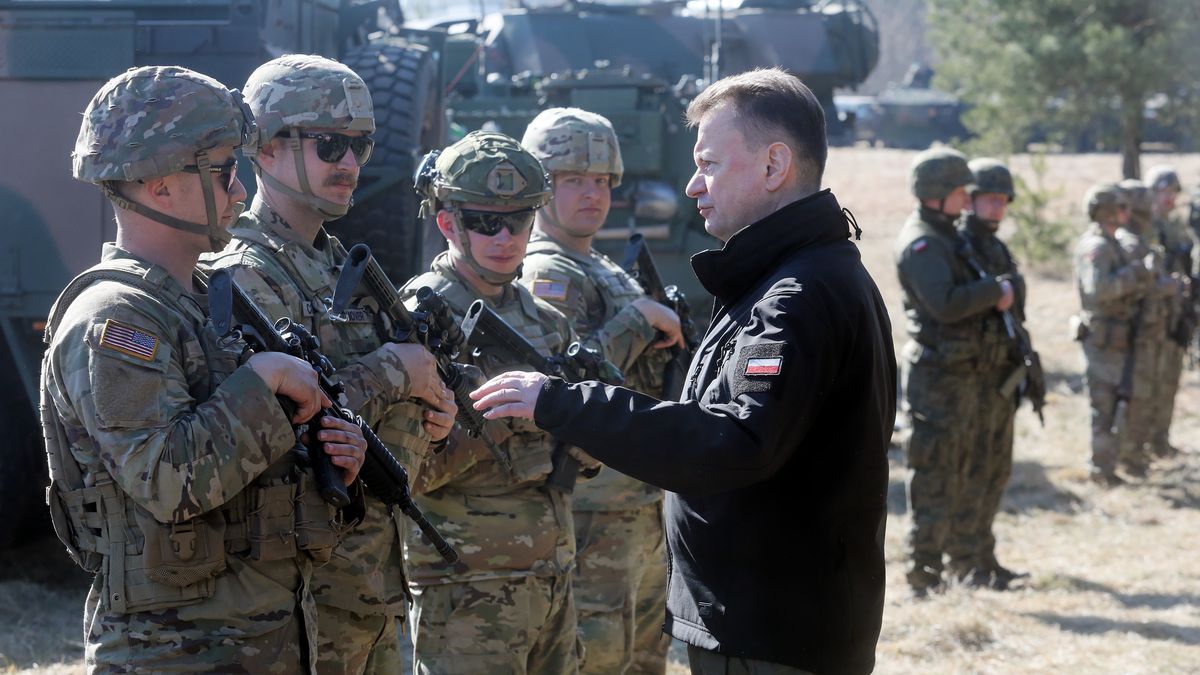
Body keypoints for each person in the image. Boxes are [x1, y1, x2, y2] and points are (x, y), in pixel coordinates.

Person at [471, 68, 894, 675]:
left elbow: (731, 440)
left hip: (768, 631)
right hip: (775, 617)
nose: (694, 185)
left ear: (775, 167)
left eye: (711, 164)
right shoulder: (807, 276)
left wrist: (562, 402)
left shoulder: (794, 294)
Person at [41, 65, 367, 673]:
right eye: (221, 172)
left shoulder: (202, 300)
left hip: (259, 637)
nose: (240, 192)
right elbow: (166, 481)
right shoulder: (117, 321)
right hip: (175, 651)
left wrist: (326, 458)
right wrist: (263, 382)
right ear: (161, 183)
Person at [201, 54, 457, 674]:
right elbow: (269, 420)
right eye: (330, 144)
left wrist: (431, 406)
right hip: (299, 605)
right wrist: (396, 371)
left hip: (370, 588)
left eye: (361, 146)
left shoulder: (337, 264)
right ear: (261, 147)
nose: (349, 164)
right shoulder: (239, 274)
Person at [403, 130, 584, 674]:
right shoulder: (416, 319)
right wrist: (515, 418)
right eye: (485, 222)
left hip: (551, 572)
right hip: (467, 586)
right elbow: (407, 468)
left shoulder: (546, 322)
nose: (504, 236)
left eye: (520, 220)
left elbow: (581, 455)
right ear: (447, 222)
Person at [519, 107, 677, 675]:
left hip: (635, 496)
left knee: (645, 647)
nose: (593, 194)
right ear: (540, 184)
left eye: (602, 181)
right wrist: (637, 321)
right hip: (592, 501)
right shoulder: (546, 271)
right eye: (573, 180)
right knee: (597, 647)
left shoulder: (603, 264)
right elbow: (557, 378)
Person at [894, 147, 1015, 596]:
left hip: (964, 375)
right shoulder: (922, 242)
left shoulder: (946, 234)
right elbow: (944, 304)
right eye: (962, 192)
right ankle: (924, 574)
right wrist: (993, 291)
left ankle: (970, 562)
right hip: (937, 380)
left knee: (972, 469)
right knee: (934, 477)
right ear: (937, 193)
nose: (968, 202)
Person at [951, 157, 1029, 589]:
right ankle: (964, 563)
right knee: (972, 471)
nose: (997, 208)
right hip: (973, 377)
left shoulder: (996, 247)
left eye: (1002, 201)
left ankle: (984, 556)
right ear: (971, 200)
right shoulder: (961, 244)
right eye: (989, 200)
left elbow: (1015, 301)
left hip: (999, 374)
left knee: (995, 470)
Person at [1071, 183, 1153, 486]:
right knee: (1104, 405)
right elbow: (1100, 290)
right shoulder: (1098, 247)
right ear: (1106, 211)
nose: (1127, 213)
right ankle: (1100, 470)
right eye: (1121, 207)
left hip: (1117, 337)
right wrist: (1136, 273)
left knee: (1118, 401)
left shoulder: (1112, 242)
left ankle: (1110, 464)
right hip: (1102, 339)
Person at [1114, 179, 1176, 477]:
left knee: (1147, 392)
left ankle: (1138, 451)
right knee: (1135, 394)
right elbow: (1140, 286)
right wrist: (1166, 286)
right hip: (1137, 332)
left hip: (1150, 329)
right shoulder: (1130, 243)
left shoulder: (1142, 240)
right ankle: (1130, 455)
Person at [1145, 166, 1194, 459]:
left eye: (1173, 192)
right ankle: (1142, 441)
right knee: (1148, 381)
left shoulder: (1177, 226)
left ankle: (1161, 439)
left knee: (1170, 379)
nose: (1169, 198)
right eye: (1164, 192)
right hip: (1153, 316)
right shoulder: (1146, 228)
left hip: (1177, 314)